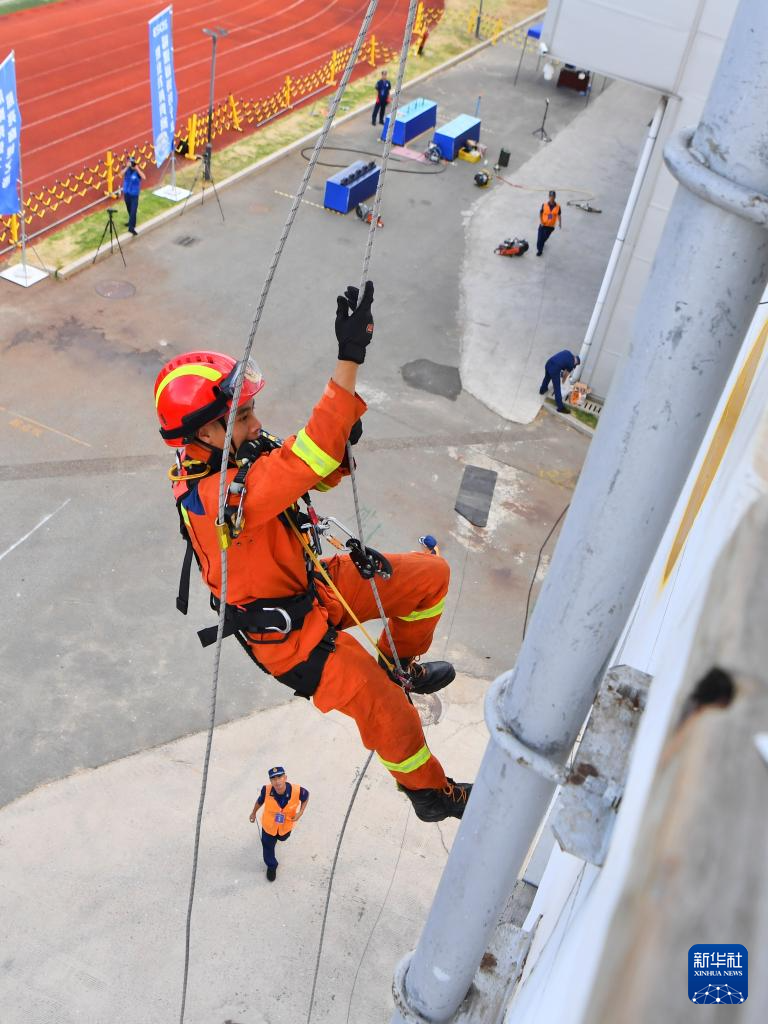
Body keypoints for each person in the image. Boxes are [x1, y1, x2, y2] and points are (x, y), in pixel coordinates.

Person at [153, 281, 472, 824]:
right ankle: (430, 792)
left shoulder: (238, 452)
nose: (256, 424)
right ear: (208, 430)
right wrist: (349, 362)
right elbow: (308, 458)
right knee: (389, 711)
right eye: (245, 416)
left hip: (313, 583)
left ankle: (401, 661)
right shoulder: (214, 497)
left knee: (431, 577)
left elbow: (315, 473)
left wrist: (340, 439)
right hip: (290, 637)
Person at [249, 767, 309, 881]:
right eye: (273, 779)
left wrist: (301, 812)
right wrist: (253, 813)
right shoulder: (266, 790)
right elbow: (260, 801)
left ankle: (278, 838)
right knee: (267, 846)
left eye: (280, 777)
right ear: (270, 781)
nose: (277, 781)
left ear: (285, 778)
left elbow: (306, 797)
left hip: (285, 827)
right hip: (269, 826)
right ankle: (271, 866)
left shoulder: (297, 790)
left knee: (282, 838)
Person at [540, 349, 580, 413]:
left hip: (548, 363)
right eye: (575, 365)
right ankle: (560, 408)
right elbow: (565, 374)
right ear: (576, 363)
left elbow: (561, 361)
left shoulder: (567, 352)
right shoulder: (571, 364)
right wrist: (562, 382)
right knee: (557, 388)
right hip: (554, 369)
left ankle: (542, 390)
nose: (574, 366)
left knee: (547, 377)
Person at [122, 157, 145, 236]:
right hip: (127, 193)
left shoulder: (137, 172)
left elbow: (144, 177)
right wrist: (127, 167)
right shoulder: (126, 170)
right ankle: (131, 222)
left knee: (133, 210)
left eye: (132, 163)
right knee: (129, 210)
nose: (131, 164)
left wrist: (137, 169)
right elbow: (120, 174)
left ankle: (131, 228)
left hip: (134, 194)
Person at [536, 190, 561, 256]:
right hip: (543, 225)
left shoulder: (558, 207)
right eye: (550, 196)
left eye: (553, 196)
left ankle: (542, 243)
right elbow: (540, 213)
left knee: (545, 238)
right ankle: (539, 250)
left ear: (555, 197)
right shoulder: (544, 205)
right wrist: (541, 221)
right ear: (548, 197)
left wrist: (560, 223)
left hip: (550, 227)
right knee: (539, 239)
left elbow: (559, 215)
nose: (551, 198)